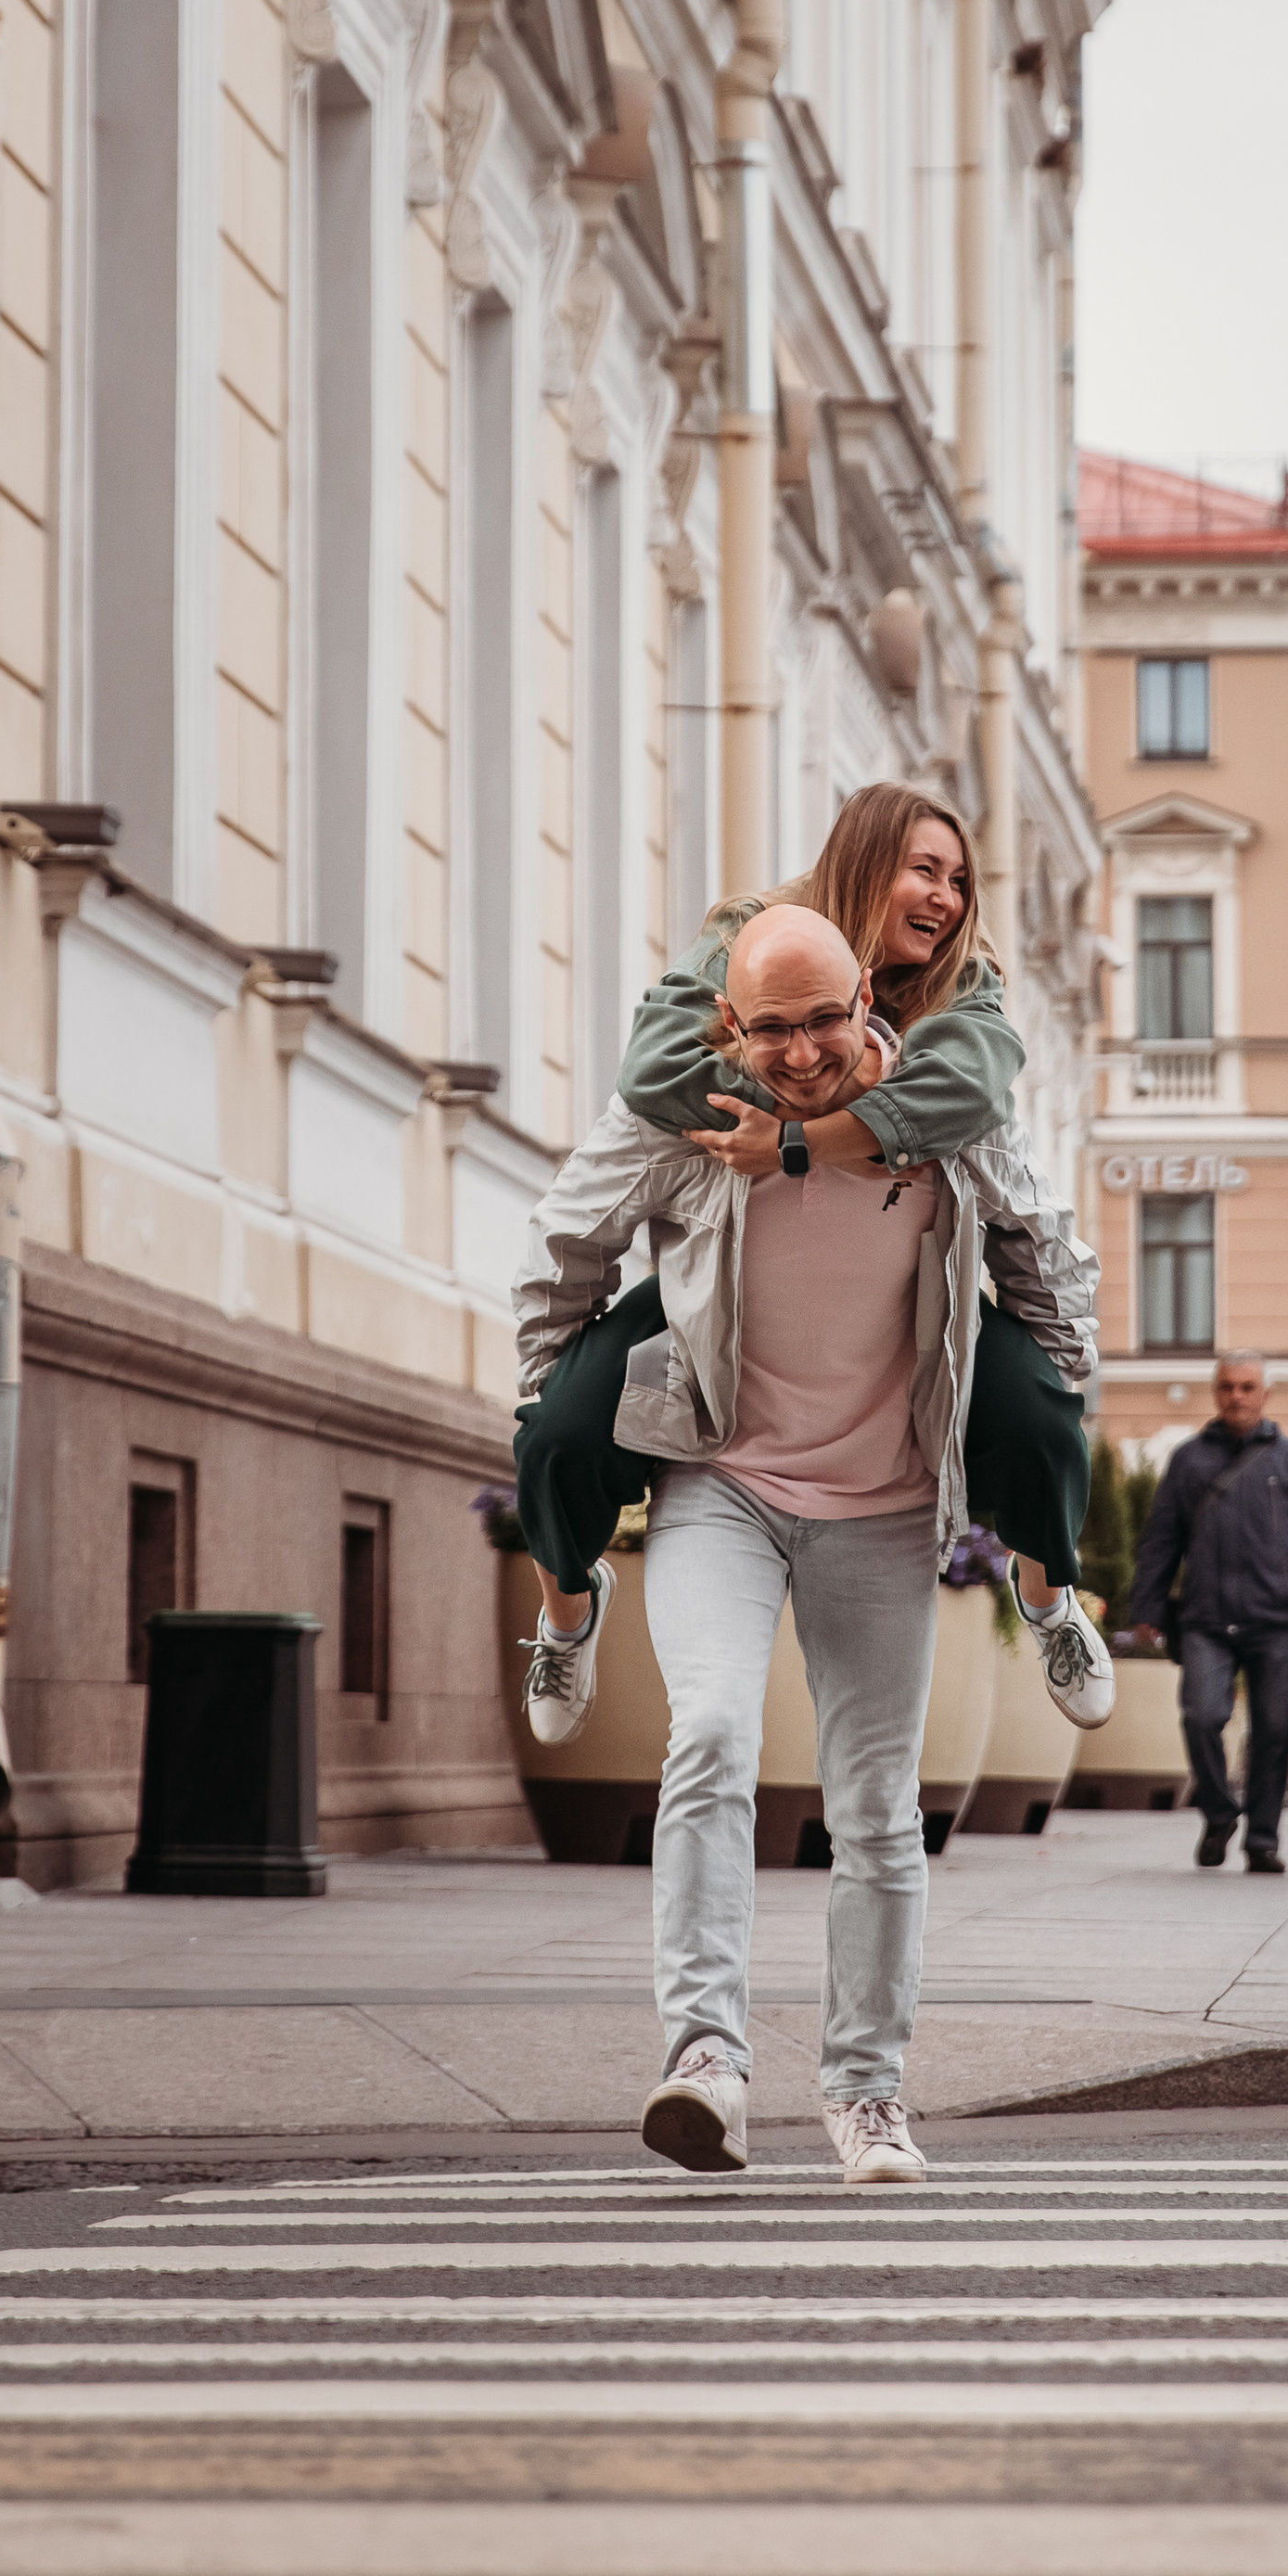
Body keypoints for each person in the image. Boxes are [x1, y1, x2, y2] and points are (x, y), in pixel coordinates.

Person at [513, 904, 1100, 2186]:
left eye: (824, 1019)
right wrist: (552, 1394)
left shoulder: (945, 1123)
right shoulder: (692, 1121)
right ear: (730, 1024)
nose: (800, 1052)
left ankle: (868, 2094)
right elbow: (564, 1248)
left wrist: (1062, 1389)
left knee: (879, 1810)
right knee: (713, 1735)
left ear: (867, 1004)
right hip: (723, 1484)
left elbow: (1050, 1253)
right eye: (769, 1028)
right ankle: (706, 2060)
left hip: (885, 1502)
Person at [512, 783, 1109, 1750]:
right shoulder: (748, 936)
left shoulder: (969, 985)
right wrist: (774, 1074)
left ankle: (1049, 1596)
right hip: (716, 1295)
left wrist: (798, 1140)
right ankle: (566, 1616)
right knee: (556, 1441)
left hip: (914, 1308)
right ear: (866, 864)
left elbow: (970, 1094)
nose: (946, 899)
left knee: (1045, 1426)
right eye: (924, 870)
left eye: (959, 879)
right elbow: (657, 1071)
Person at [1128, 1352, 1288, 1874]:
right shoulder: (1188, 1459)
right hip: (1206, 1620)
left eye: (1248, 1387)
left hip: (1275, 1621)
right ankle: (1221, 1811)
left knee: (1274, 1732)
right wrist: (1148, 1606)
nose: (1237, 1397)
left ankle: (1263, 1840)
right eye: (1227, 1387)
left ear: (1265, 1394)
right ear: (1215, 1393)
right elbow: (1161, 1539)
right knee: (1201, 1717)